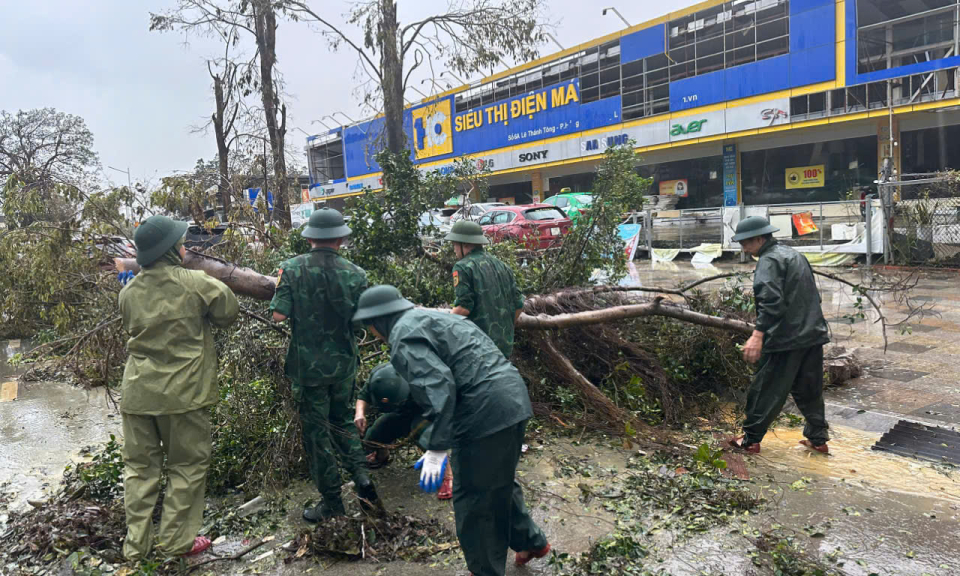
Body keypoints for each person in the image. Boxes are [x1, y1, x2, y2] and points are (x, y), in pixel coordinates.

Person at [353, 285, 550, 576]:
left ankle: (484, 570)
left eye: (370, 327)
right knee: (498, 480)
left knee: (473, 496)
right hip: (512, 398)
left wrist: (437, 448)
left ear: (377, 321)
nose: (373, 334)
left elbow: (440, 388)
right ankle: (531, 541)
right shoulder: (438, 317)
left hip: (483, 411)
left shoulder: (402, 336)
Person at [118, 215, 239, 560]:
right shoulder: (196, 282)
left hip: (138, 393)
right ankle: (175, 541)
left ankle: (136, 547)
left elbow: (132, 324)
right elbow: (228, 313)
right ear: (173, 250)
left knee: (139, 470)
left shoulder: (129, 291)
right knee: (187, 466)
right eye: (181, 243)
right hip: (183, 394)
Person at [270, 208, 380, 521]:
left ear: (309, 238)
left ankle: (332, 503)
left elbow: (278, 314)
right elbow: (367, 321)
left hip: (309, 369)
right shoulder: (356, 274)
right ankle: (362, 478)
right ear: (341, 239)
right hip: (343, 365)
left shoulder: (291, 269)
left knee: (317, 436)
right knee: (344, 422)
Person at [728, 216, 831, 455]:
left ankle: (750, 440)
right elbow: (813, 294)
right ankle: (818, 440)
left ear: (760, 238)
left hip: (786, 339)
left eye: (745, 242)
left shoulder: (769, 260)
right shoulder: (794, 255)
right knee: (810, 391)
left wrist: (758, 334)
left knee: (766, 389)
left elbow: (771, 302)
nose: (743, 247)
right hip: (813, 335)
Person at [353, 363, 452, 499]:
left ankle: (447, 476)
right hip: (402, 413)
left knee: (424, 436)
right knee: (372, 437)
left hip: (426, 413)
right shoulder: (380, 378)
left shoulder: (424, 379)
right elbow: (363, 396)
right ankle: (382, 456)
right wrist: (360, 414)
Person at [445, 220, 525, 358]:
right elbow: (519, 305)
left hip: (479, 350)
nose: (454, 249)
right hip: (504, 348)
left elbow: (463, 308)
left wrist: (443, 326)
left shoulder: (463, 267)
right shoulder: (503, 266)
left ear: (465, 244)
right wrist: (505, 330)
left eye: (454, 244)